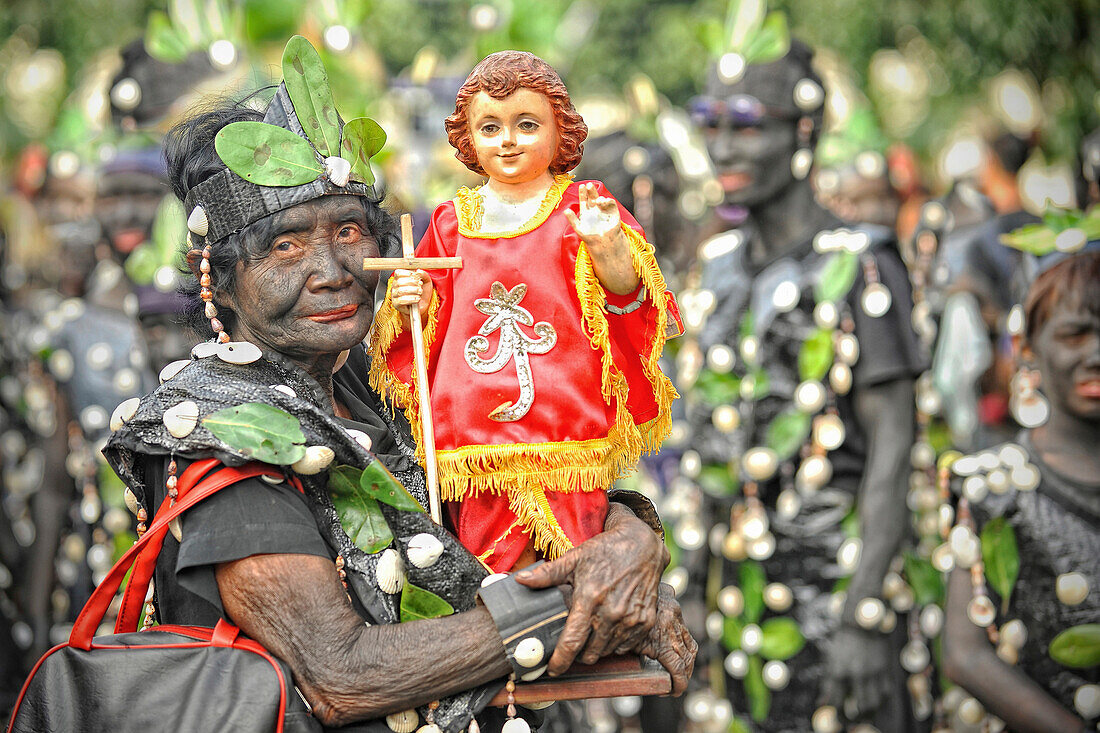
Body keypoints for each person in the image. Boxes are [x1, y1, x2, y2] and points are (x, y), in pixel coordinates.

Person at [102, 37, 695, 733]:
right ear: (222, 277)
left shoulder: (385, 376)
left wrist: (628, 539)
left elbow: (510, 482)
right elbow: (341, 673)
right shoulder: (220, 431)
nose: (330, 269)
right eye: (286, 245)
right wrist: (575, 597)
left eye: (349, 229)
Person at [671, 38, 926, 731]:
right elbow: (707, 447)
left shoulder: (862, 262)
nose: (723, 149)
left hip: (838, 595)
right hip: (742, 608)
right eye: (711, 124)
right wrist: (692, 588)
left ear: (804, 132)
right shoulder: (717, 268)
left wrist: (864, 616)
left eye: (748, 126)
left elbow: (893, 449)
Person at [370, 51, 679, 573]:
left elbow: (629, 300)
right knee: (483, 578)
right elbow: (427, 324)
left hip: (566, 434)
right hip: (475, 445)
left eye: (526, 124)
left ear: (561, 130)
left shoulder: (582, 207)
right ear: (468, 138)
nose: (508, 140)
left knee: (581, 574)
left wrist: (607, 251)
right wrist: (414, 301)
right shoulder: (451, 220)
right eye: (490, 127)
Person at [942, 248, 1100, 732]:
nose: (1096, 353)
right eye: (1075, 334)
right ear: (1027, 348)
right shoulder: (993, 486)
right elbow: (964, 655)